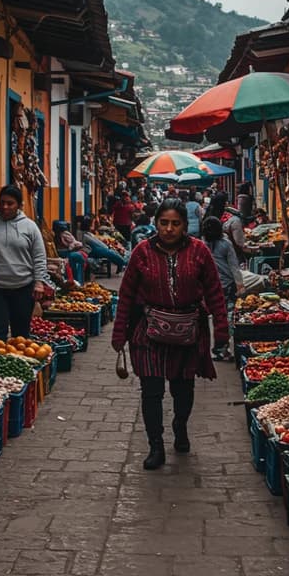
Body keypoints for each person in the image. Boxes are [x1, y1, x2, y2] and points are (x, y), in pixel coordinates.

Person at [112, 199, 230, 470]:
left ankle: (180, 425)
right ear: (156, 223)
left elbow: (214, 291)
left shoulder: (199, 251)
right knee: (151, 391)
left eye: (175, 223)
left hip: (188, 332)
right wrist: (119, 333)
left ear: (185, 225)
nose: (169, 229)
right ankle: (156, 446)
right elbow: (126, 294)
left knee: (183, 389)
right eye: (164, 223)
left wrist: (221, 328)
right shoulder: (142, 252)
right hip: (148, 332)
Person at [0, 184, 50, 341]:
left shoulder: (30, 227)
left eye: (10, 203)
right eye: (2, 203)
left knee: (21, 336)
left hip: (23, 288)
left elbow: (39, 257)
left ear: (19, 205)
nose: (5, 207)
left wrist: (39, 282)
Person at [201, 216, 244, 361]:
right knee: (226, 317)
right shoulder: (226, 244)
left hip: (209, 287)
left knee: (214, 317)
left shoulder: (202, 245)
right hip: (226, 286)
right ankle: (223, 348)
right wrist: (240, 285)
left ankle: (216, 349)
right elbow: (234, 266)